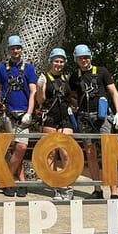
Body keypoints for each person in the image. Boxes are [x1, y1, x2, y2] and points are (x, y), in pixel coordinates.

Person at [68, 44, 118, 209]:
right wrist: (72, 107)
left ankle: (114, 193)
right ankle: (97, 189)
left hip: (102, 117)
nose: (84, 60)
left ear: (90, 57)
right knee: (91, 154)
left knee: (108, 154)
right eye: (80, 58)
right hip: (85, 118)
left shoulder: (102, 72)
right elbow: (71, 95)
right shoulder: (74, 77)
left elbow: (113, 92)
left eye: (86, 57)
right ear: (76, 60)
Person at [0, 35, 37, 197]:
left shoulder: (28, 68)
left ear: (21, 49)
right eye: (13, 48)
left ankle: (7, 179)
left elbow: (33, 91)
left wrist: (29, 112)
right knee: (14, 149)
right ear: (8, 50)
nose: (16, 51)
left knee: (21, 147)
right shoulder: (2, 68)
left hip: (23, 114)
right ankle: (21, 182)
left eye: (18, 48)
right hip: (7, 113)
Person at [36, 48, 76, 201]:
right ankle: (55, 186)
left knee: (66, 152)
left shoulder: (66, 79)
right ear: (51, 62)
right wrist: (40, 87)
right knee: (51, 152)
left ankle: (68, 185)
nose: (59, 64)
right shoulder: (45, 77)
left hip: (65, 118)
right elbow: (40, 101)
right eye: (56, 61)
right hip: (50, 118)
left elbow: (71, 97)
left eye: (61, 61)